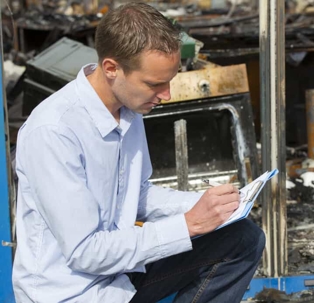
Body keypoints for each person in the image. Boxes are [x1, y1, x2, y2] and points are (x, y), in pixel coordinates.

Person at [12, 3, 265, 302]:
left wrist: (208, 206)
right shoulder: (54, 132)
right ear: (111, 69)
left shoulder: (128, 111)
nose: (167, 94)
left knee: (242, 238)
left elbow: (136, 195)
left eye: (169, 80)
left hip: (120, 274)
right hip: (74, 292)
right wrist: (189, 224)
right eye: (155, 84)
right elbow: (86, 252)